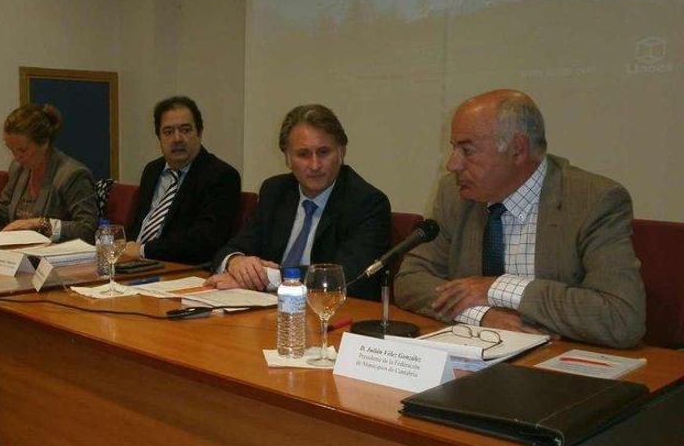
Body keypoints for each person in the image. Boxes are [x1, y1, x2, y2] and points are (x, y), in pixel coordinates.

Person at [394, 89, 645, 348]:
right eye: (453, 148)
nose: (452, 164)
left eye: (467, 150)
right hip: (476, 355)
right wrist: (483, 316)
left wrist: (498, 288)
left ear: (517, 149)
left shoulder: (593, 200)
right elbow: (411, 280)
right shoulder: (454, 193)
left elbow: (621, 318)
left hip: (560, 358)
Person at [207, 104, 390, 300]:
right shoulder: (275, 191)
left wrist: (267, 278)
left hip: (328, 314)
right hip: (267, 311)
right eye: (303, 154)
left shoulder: (366, 202)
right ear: (287, 158)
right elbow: (233, 247)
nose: (315, 165)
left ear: (341, 152)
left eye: (323, 152)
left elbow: (347, 278)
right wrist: (236, 262)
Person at [125, 96, 241, 264]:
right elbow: (138, 225)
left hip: (179, 269)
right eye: (168, 132)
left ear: (199, 133)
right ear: (159, 137)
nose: (177, 139)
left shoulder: (221, 176)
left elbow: (204, 242)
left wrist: (144, 250)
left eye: (185, 130)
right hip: (133, 264)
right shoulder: (152, 170)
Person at [0, 103, 97, 243]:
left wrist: (39, 223)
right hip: (18, 252)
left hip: (55, 258)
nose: (16, 157)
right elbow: (5, 206)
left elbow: (87, 229)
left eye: (22, 150)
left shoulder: (72, 174)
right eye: (11, 150)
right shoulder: (18, 168)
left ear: (45, 143)